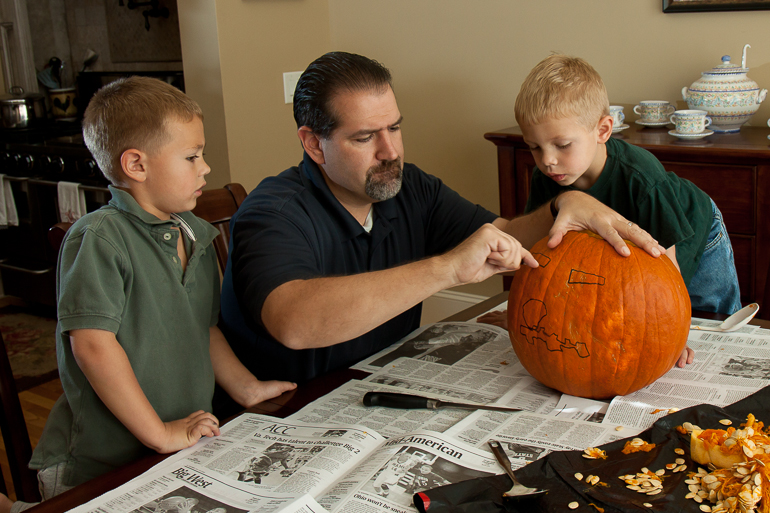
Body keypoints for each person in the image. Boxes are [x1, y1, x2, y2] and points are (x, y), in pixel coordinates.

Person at [218, 51, 666, 384]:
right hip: (290, 406)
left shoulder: (409, 186)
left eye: (394, 127)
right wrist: (447, 269)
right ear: (314, 144)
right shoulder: (272, 213)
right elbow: (295, 322)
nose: (390, 151)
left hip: (375, 384)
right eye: (364, 137)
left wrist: (562, 207)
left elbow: (502, 235)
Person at [0, 76, 296, 513]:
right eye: (192, 156)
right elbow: (93, 348)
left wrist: (246, 388)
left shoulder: (193, 232)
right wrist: (160, 433)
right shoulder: (100, 238)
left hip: (176, 449)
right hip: (99, 464)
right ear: (136, 165)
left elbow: (204, 328)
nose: (206, 167)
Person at [481, 54, 741, 367]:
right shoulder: (546, 178)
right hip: (631, 246)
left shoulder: (641, 177)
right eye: (534, 147)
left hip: (691, 236)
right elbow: (541, 255)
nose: (547, 160)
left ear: (603, 130)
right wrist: (523, 312)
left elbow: (666, 266)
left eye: (562, 145)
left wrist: (672, 334)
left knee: (714, 320)